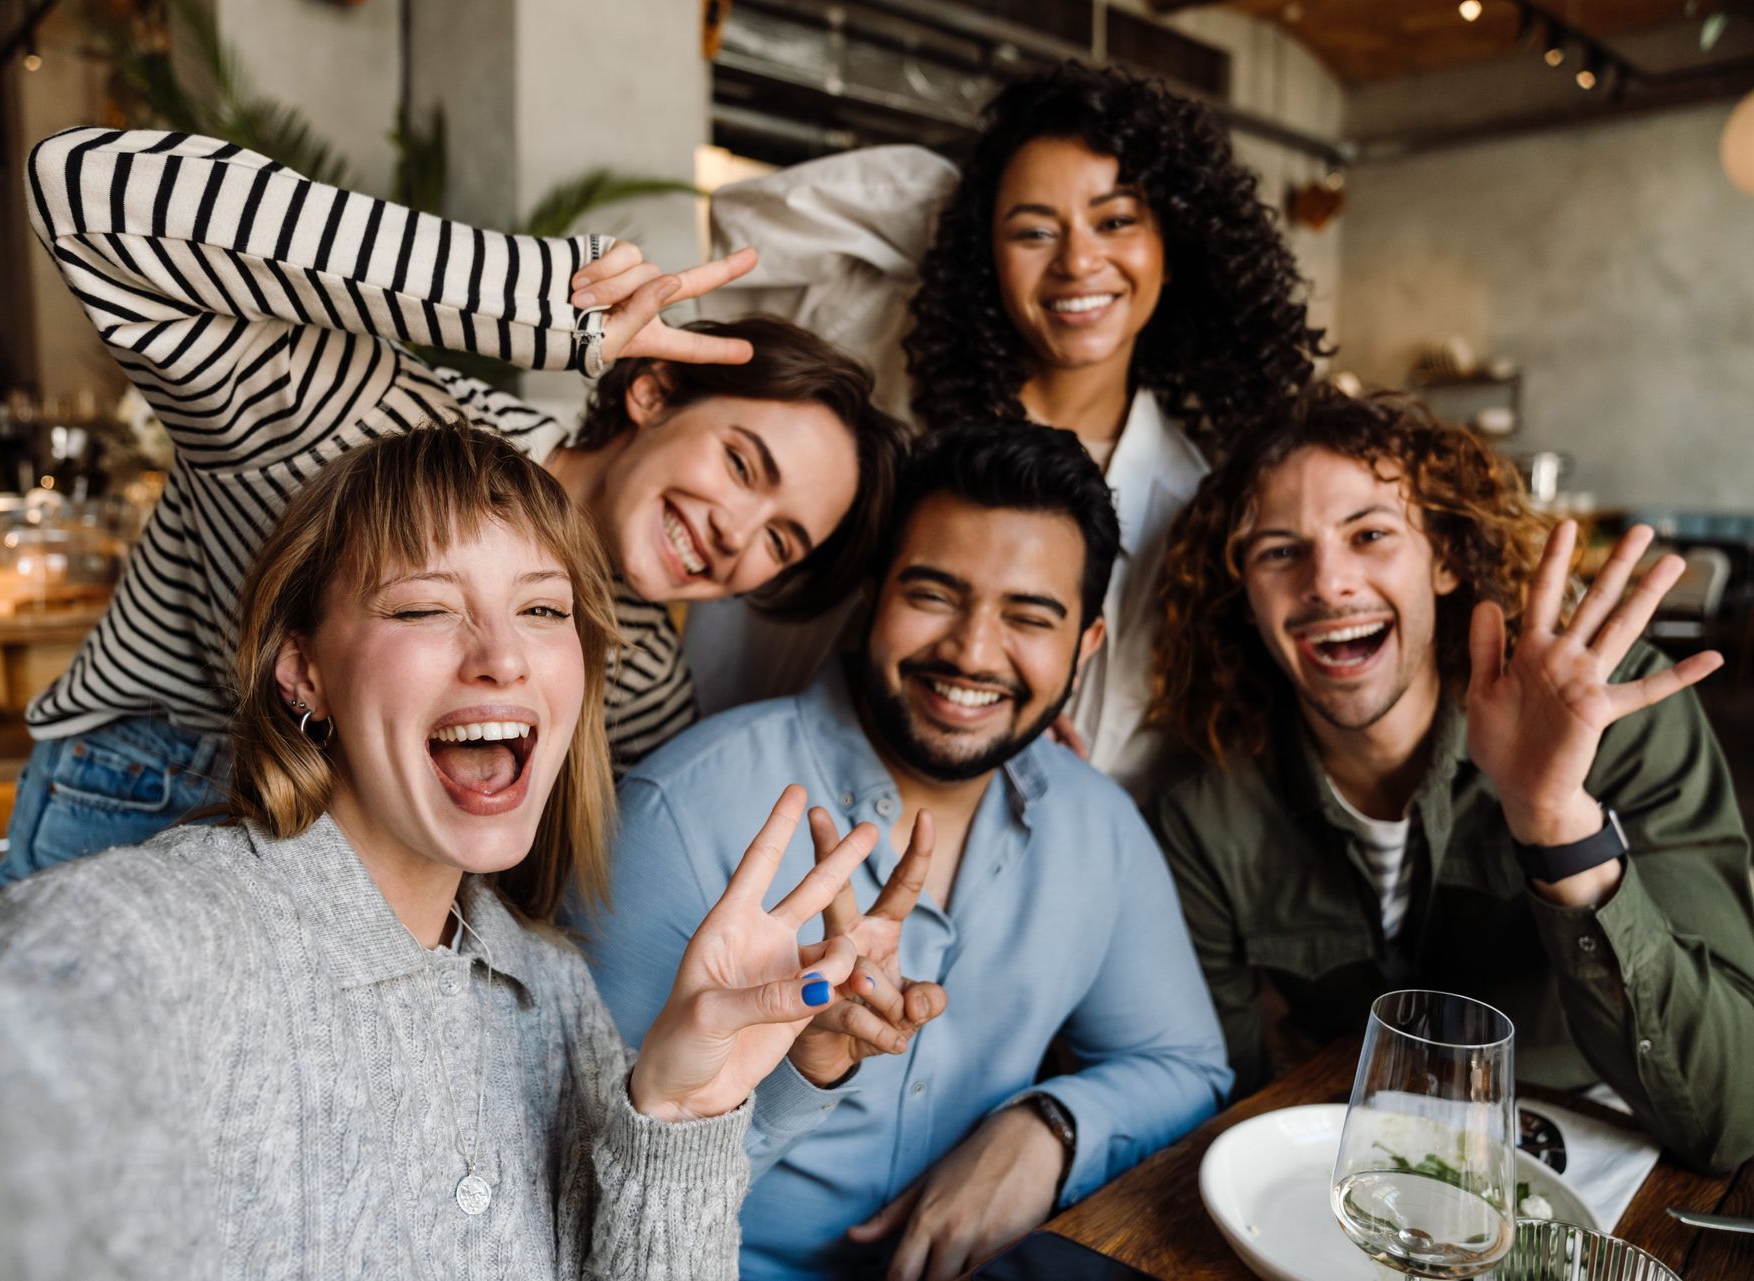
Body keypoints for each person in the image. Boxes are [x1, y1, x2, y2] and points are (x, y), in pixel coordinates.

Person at [0, 424, 885, 1281]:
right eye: (425, 607)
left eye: (542, 610)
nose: (502, 656)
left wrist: (685, 1108)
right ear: (304, 674)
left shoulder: (556, 994)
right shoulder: (146, 935)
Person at [0, 125, 906, 884]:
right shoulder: (361, 415)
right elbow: (82, 188)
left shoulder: (632, 676)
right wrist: (540, 302)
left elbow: (668, 851)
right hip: (152, 794)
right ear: (653, 392)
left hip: (354, 878)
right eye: (745, 466)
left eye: (782, 541)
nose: (735, 533)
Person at [583, 424, 1232, 1281]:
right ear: (873, 596)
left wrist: (1046, 1132)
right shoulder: (684, 813)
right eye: (933, 594)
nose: (970, 650)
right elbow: (582, 1193)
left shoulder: (1095, 824)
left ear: (1085, 648)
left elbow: (1187, 1068)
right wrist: (798, 1078)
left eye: (1030, 617)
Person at [1149, 387, 1754, 1172]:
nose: (1328, 582)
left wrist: (1556, 824)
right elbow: (1225, 1109)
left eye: (1369, 534)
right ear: (1246, 596)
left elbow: (1735, 1120)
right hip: (1350, 1176)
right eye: (1279, 551)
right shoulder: (1208, 803)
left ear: (1442, 557)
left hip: (1607, 1164)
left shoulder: (1605, 712)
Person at [685, 61, 1327, 797]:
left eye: (1115, 220)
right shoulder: (889, 381)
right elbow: (753, 221)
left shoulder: (1188, 496)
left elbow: (1140, 744)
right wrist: (959, 211)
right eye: (1032, 230)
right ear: (983, 247)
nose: (1078, 261)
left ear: (1173, 246)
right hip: (754, 768)